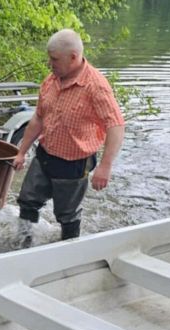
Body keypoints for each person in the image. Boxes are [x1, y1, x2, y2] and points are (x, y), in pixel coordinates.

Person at [13, 29, 125, 245]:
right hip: (44, 155)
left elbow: (116, 126)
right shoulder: (51, 80)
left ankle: (69, 252)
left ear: (73, 57)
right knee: (27, 201)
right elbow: (38, 118)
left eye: (54, 59)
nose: (49, 63)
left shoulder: (96, 86)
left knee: (67, 216)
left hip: (74, 164)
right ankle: (22, 245)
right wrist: (21, 152)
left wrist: (105, 166)